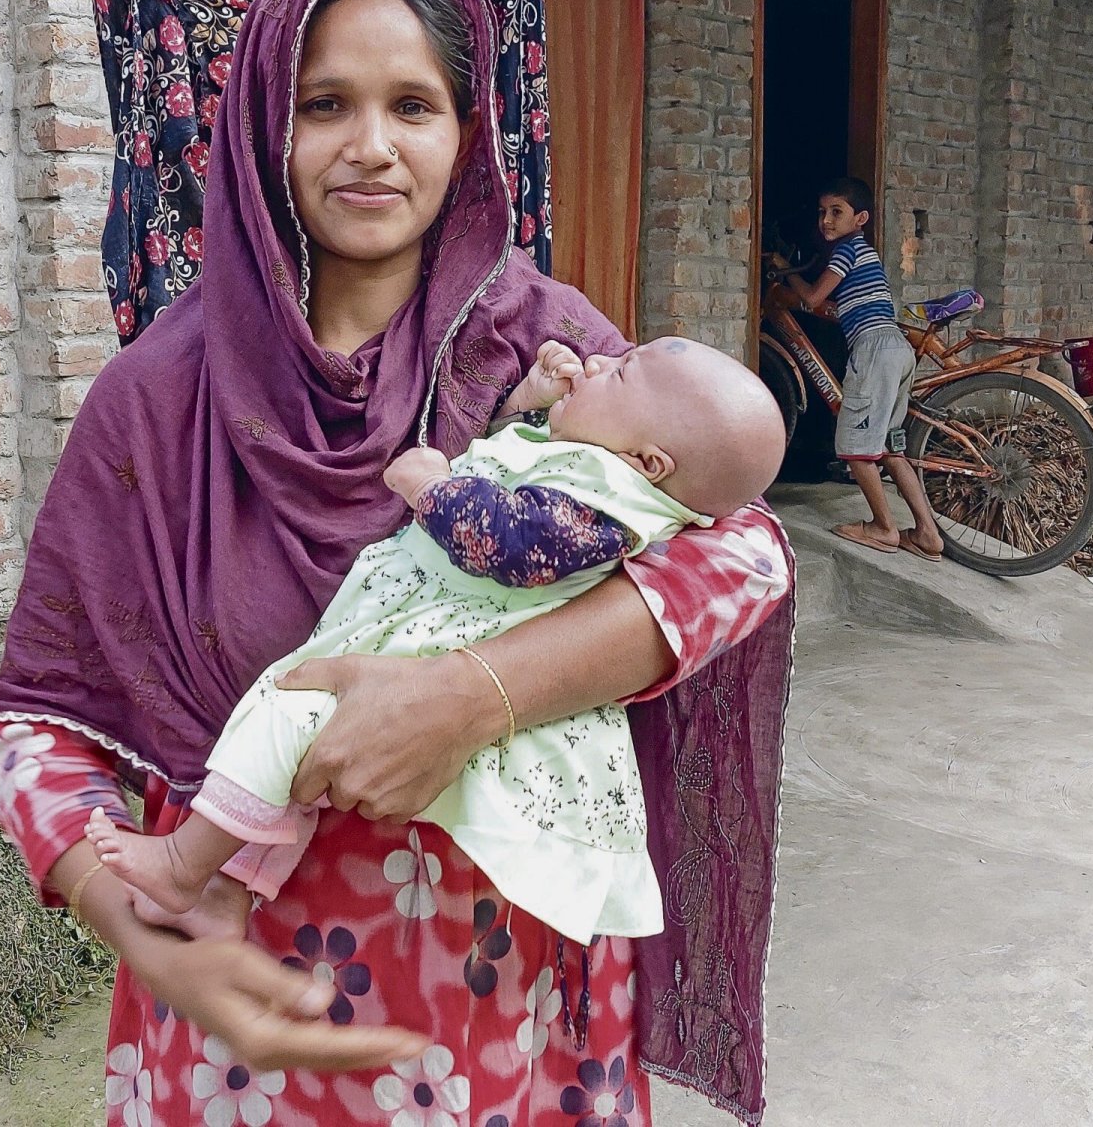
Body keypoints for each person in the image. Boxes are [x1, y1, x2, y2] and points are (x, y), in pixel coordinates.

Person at [0, 0, 797, 1126]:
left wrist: (477, 693)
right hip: (243, 1029)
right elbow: (32, 722)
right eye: (325, 105)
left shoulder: (548, 354)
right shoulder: (160, 400)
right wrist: (142, 931)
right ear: (268, 128)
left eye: (412, 104)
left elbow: (746, 550)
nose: (370, 145)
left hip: (513, 1018)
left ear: (468, 131)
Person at [83, 335, 787, 948]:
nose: (597, 358)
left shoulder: (616, 496)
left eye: (621, 371)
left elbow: (513, 541)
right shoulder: (602, 458)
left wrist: (432, 490)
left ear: (652, 462)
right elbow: (514, 464)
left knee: (284, 713)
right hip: (398, 646)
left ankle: (184, 867)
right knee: (291, 756)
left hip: (433, 663)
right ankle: (225, 895)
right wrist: (529, 402)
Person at [785, 177, 946, 561]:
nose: (826, 220)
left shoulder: (846, 250)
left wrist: (784, 271)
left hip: (873, 350)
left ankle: (884, 529)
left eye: (836, 212)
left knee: (856, 451)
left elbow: (812, 297)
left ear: (860, 218)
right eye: (822, 212)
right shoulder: (864, 252)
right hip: (895, 348)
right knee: (890, 447)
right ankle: (927, 535)